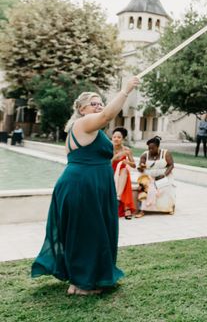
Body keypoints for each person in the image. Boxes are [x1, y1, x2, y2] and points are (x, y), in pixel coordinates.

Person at [31, 77, 140, 295]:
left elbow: (94, 157)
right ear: (81, 109)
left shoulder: (90, 129)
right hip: (83, 187)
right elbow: (109, 115)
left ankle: (87, 278)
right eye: (93, 102)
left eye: (100, 102)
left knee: (91, 232)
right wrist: (126, 90)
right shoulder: (83, 123)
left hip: (90, 185)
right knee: (87, 233)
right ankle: (80, 284)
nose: (98, 105)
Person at [136, 136, 175, 217]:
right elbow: (140, 167)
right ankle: (142, 210)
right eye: (149, 148)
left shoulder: (165, 153)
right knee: (146, 188)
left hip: (163, 176)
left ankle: (169, 208)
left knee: (164, 187)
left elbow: (171, 165)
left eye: (152, 148)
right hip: (148, 177)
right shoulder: (145, 154)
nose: (150, 150)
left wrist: (164, 175)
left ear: (158, 147)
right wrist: (141, 167)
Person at [111, 127, 136, 219]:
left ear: (123, 139)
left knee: (125, 171)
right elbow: (107, 163)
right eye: (114, 137)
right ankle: (125, 207)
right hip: (111, 171)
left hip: (122, 173)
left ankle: (121, 200)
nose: (116, 139)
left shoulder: (127, 150)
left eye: (119, 137)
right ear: (112, 138)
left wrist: (128, 162)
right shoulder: (109, 148)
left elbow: (134, 165)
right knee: (124, 176)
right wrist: (117, 156)